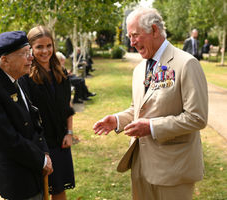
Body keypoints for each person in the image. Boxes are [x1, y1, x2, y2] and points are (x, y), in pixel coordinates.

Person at [93, 8, 208, 200]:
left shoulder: (187, 64)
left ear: (154, 30)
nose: (132, 42)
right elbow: (137, 109)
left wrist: (152, 127)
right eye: (130, 36)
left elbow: (197, 118)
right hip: (140, 166)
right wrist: (117, 121)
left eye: (135, 35)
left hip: (174, 170)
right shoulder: (139, 70)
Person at [0, 31, 53, 200]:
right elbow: (6, 139)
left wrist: (44, 152)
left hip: (33, 167)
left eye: (29, 51)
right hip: (16, 178)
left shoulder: (17, 76)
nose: (31, 58)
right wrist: (41, 160)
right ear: (5, 59)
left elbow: (34, 118)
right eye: (24, 54)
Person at [20, 26, 75, 200]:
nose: (45, 51)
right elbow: (27, 115)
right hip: (41, 143)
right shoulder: (25, 77)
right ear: (30, 48)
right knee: (42, 190)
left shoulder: (61, 72)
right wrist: (39, 147)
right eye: (39, 47)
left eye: (49, 45)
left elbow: (67, 106)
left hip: (61, 140)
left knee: (59, 189)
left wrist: (69, 132)